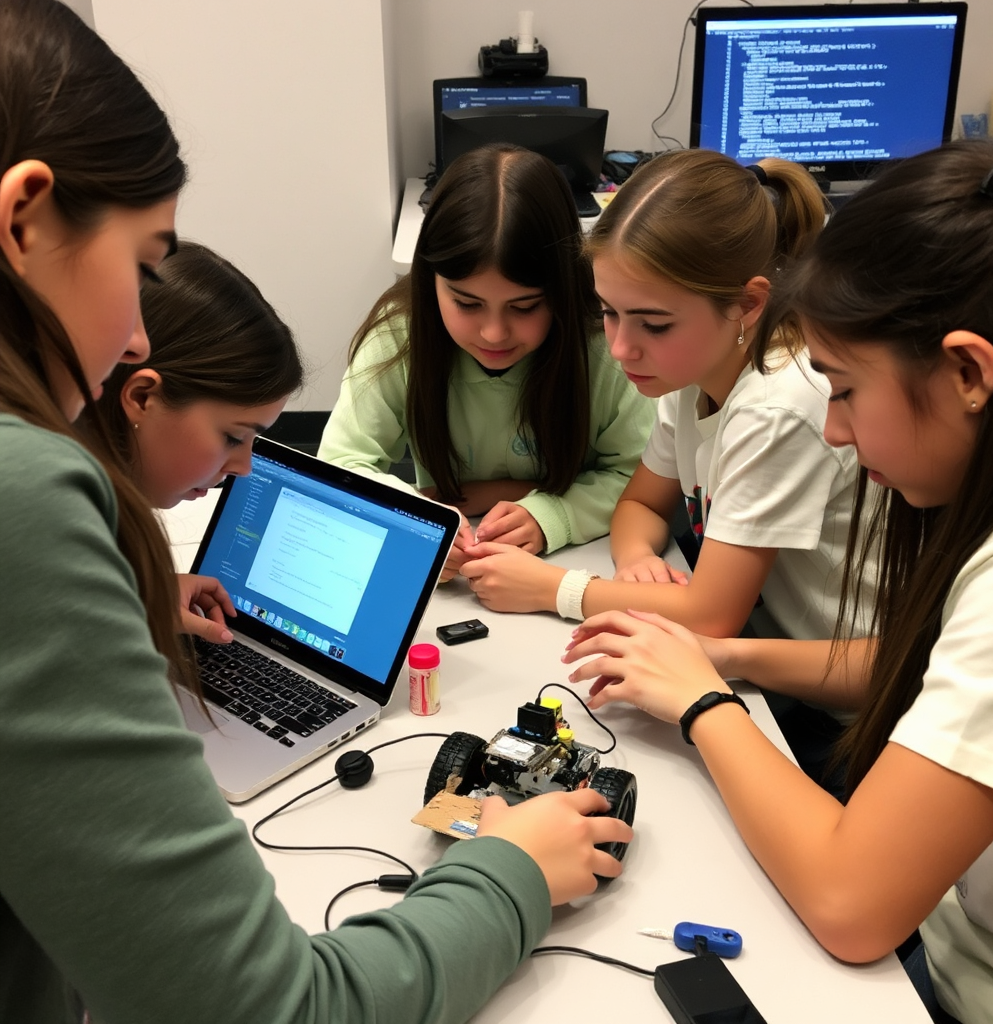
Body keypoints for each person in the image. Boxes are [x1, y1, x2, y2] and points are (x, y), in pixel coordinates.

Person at [0, 4, 631, 1024]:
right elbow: (276, 1008)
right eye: (146, 261)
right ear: (25, 216)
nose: (135, 336)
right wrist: (510, 868)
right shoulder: (24, 493)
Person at [564, 138, 993, 1024]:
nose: (838, 433)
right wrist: (727, 657)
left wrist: (706, 700)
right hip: (950, 920)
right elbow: (905, 667)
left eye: (845, 390)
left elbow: (852, 905)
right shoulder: (982, 509)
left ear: (968, 372)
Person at [461, 150, 873, 786]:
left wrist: (552, 588)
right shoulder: (693, 370)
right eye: (609, 312)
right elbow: (641, 505)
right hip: (786, 670)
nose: (622, 347)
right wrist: (637, 566)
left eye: (652, 322)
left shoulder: (778, 405)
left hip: (856, 716)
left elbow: (711, 616)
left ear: (747, 305)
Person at [317, 143, 654, 580]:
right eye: (467, 303)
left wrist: (554, 514)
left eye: (525, 306)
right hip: (455, 567)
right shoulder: (399, 335)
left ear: (565, 287)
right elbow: (340, 465)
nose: (494, 333)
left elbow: (641, 478)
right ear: (429, 281)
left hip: (580, 561)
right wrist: (417, 524)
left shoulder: (604, 344)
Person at [80, 238, 304, 644]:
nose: (243, 467)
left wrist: (137, 599)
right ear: (142, 398)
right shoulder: (58, 536)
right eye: (233, 437)